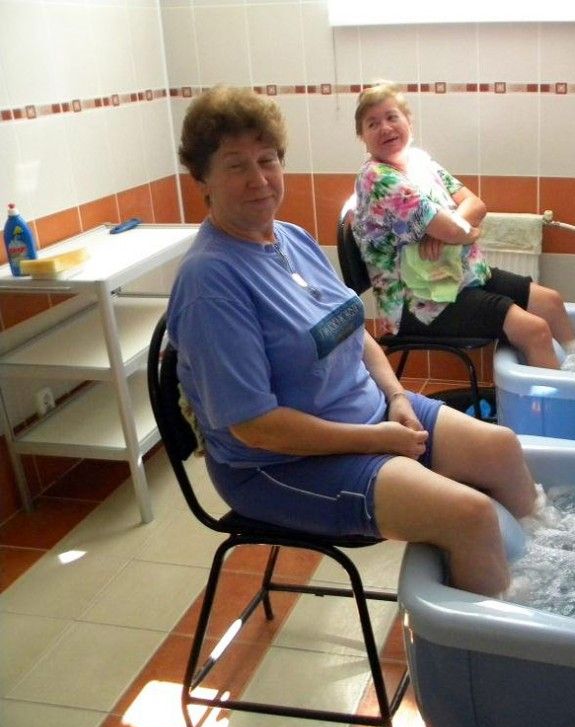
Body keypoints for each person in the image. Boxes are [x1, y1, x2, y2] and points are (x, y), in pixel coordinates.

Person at [167, 85, 540, 596]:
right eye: (236, 166)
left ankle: (548, 581)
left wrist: (396, 397)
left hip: (368, 412)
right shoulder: (210, 283)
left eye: (268, 160)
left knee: (501, 449)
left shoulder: (290, 237)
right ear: (202, 180)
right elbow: (256, 427)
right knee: (469, 516)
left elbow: (350, 327)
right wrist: (378, 439)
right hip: (280, 465)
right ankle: (490, 636)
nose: (259, 179)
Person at [351, 81, 575, 370]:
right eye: (372, 124)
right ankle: (560, 399)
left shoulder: (420, 162)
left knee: (551, 302)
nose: (385, 128)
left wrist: (448, 233)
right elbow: (457, 230)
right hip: (419, 302)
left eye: (392, 117)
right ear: (363, 137)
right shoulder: (378, 178)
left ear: (409, 122)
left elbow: (476, 205)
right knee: (535, 331)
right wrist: (465, 233)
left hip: (460, 277)